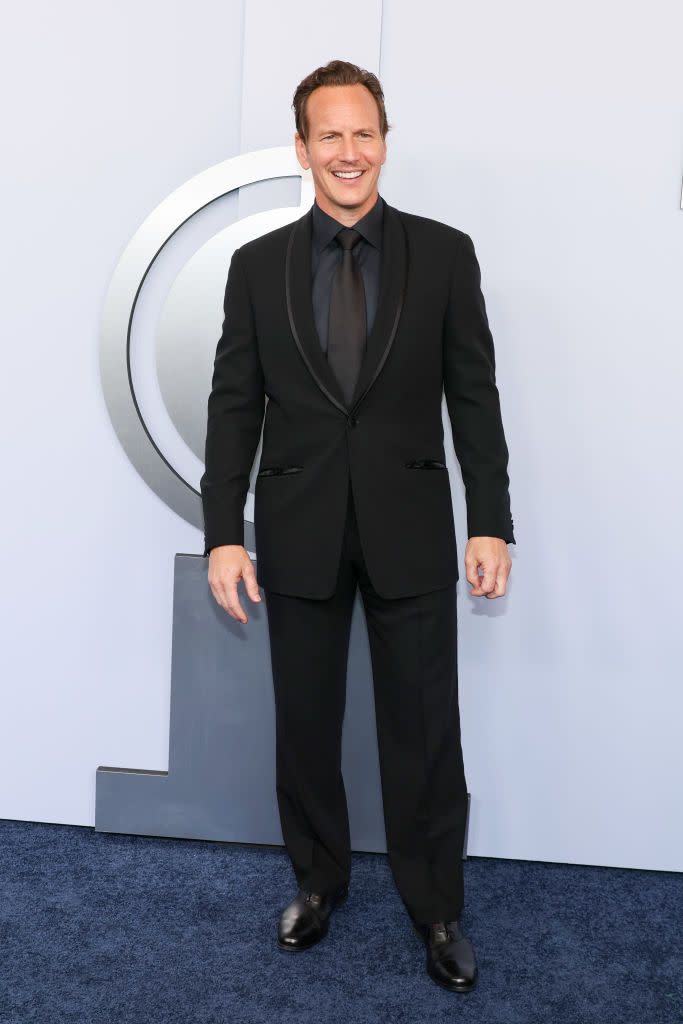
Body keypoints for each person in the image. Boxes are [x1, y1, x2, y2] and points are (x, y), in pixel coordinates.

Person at [200, 59, 515, 994]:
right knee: (304, 724)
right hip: (296, 529)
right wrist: (225, 531)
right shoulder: (256, 268)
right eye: (328, 135)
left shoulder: (446, 253)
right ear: (302, 148)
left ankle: (437, 908)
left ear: (385, 139)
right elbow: (233, 407)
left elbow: (475, 399)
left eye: (363, 132)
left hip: (411, 525)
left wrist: (490, 521)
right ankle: (317, 882)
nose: (348, 151)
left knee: (424, 731)